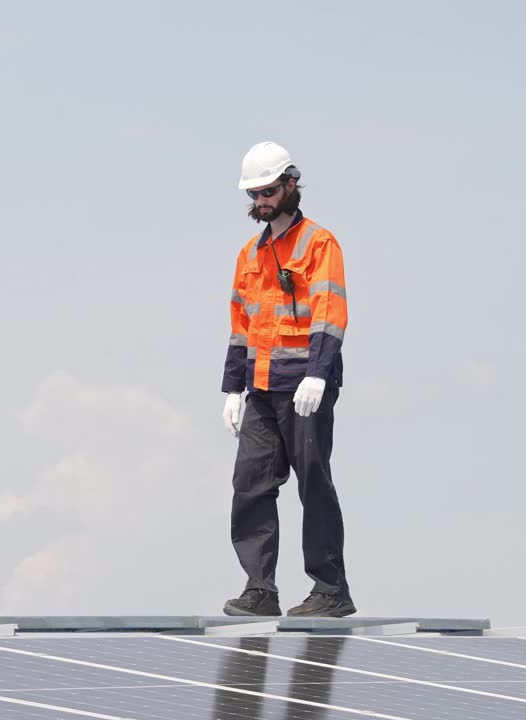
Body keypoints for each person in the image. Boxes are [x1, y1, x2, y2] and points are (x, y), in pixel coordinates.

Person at [220, 141, 355, 618]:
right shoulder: (249, 255)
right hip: (259, 386)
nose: (262, 201)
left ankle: (330, 590)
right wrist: (232, 388)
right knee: (250, 483)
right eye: (255, 194)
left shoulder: (319, 244)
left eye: (269, 191)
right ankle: (261, 589)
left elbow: (329, 313)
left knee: (313, 483)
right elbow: (242, 324)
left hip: (304, 387)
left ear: (291, 183)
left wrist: (317, 374)